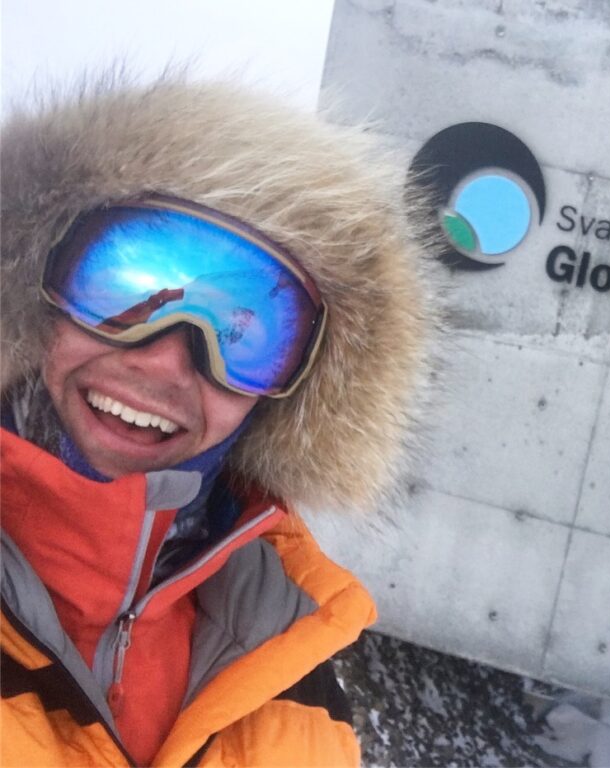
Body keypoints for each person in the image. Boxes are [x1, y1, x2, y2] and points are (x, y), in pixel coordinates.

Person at [0, 76, 437, 765]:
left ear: (291, 391)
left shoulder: (297, 683)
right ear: (31, 291)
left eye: (242, 333)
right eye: (127, 287)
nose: (167, 362)